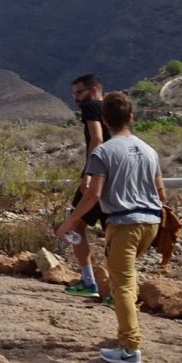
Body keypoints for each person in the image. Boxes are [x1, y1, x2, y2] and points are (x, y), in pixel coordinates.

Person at [57, 90, 167, 363]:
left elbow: (93, 195)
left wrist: (70, 222)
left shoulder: (103, 152)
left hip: (124, 225)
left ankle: (130, 349)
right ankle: (127, 334)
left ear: (104, 120)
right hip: (152, 225)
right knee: (125, 279)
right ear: (131, 117)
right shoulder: (150, 151)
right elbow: (161, 193)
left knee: (123, 286)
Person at [64, 73, 109, 298]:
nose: (76, 98)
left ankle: (89, 281)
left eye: (79, 92)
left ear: (93, 91)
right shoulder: (113, 109)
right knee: (113, 231)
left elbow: (97, 138)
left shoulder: (91, 107)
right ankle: (116, 289)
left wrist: (89, 173)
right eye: (73, 93)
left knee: (75, 226)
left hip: (98, 173)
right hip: (116, 176)